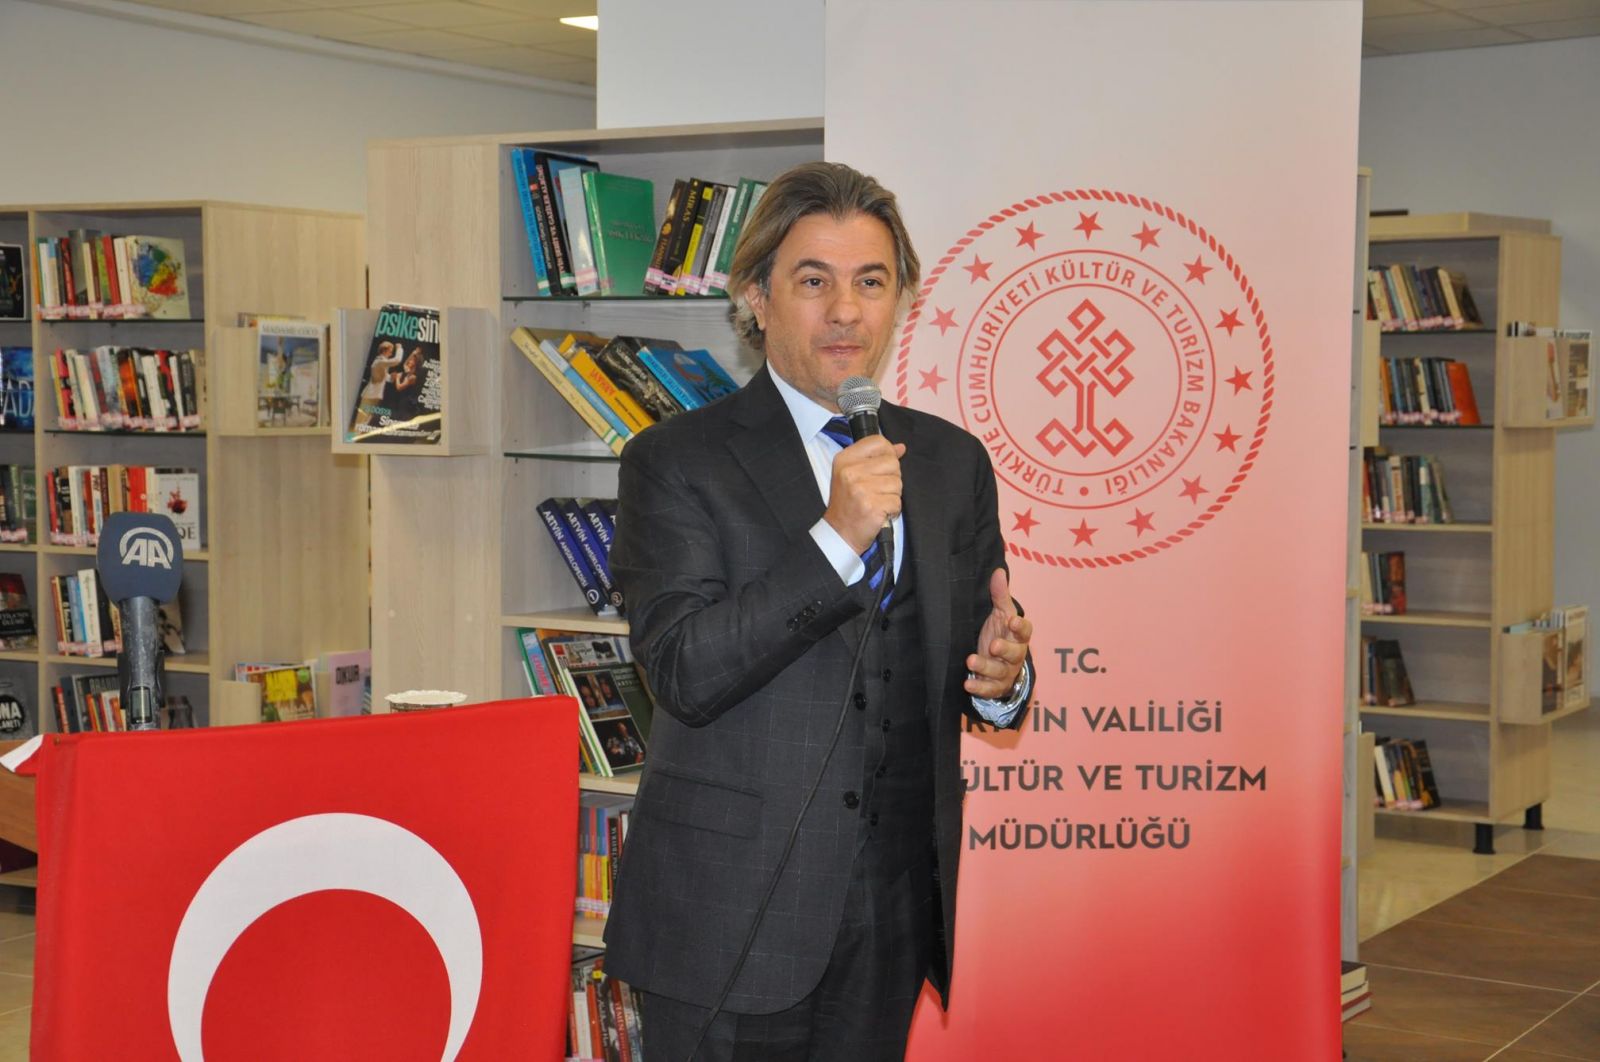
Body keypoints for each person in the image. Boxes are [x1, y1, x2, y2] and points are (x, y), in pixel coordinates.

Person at [605, 161, 1034, 1062]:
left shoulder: (950, 462)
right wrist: (837, 537)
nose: (846, 311)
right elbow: (683, 671)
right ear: (757, 299)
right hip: (728, 908)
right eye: (813, 281)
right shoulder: (675, 461)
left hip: (891, 910)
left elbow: (970, 652)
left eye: (870, 282)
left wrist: (1002, 681)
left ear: (899, 300)